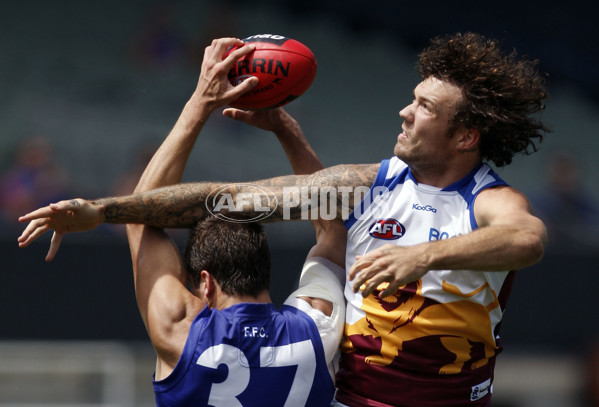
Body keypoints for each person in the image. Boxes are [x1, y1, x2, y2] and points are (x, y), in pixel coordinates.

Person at [19, 32, 549, 406]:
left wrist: (422, 255)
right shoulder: (369, 186)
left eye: (426, 107)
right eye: (412, 99)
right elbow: (230, 200)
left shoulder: (488, 201)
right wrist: (104, 210)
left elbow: (527, 239)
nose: (405, 112)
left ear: (465, 137)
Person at [20, 38, 346, 406]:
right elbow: (331, 224)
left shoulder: (180, 332)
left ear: (204, 283)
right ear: (264, 266)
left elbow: (141, 217)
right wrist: (284, 125)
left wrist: (201, 101)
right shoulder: (319, 327)